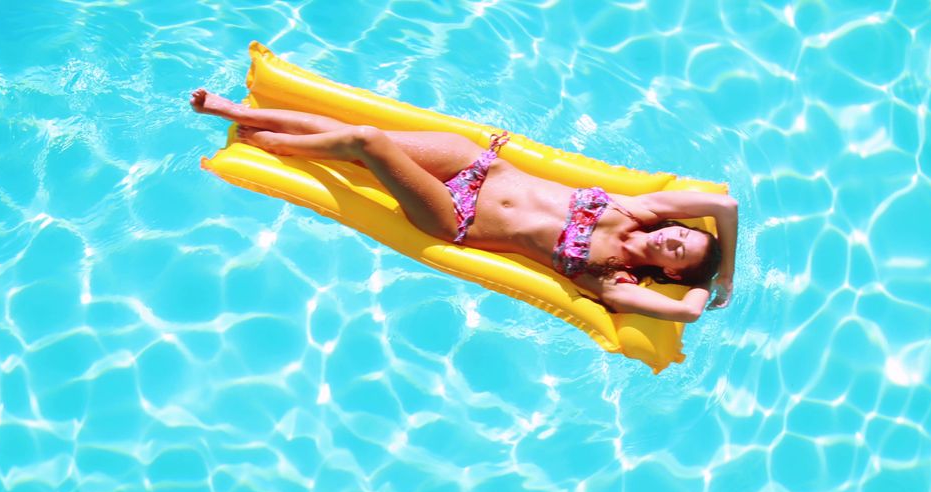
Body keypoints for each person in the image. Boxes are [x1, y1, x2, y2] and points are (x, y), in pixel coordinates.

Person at [191, 89, 737, 322]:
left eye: (682, 251)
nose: (678, 237)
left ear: (670, 269)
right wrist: (727, 273)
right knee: (357, 133)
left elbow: (688, 310)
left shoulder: (613, 279)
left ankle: (278, 145)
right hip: (476, 165)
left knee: (367, 143)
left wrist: (709, 290)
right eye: (686, 233)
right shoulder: (637, 208)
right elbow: (725, 207)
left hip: (455, 218)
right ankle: (239, 111)